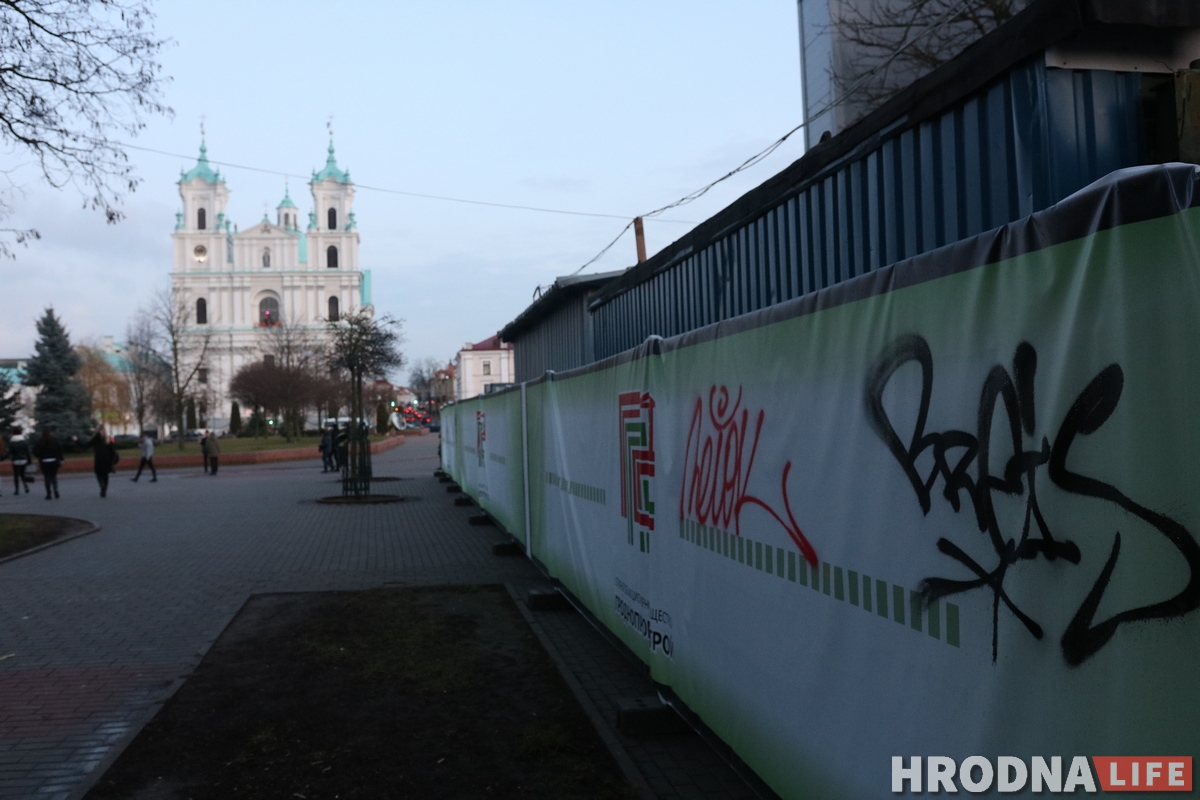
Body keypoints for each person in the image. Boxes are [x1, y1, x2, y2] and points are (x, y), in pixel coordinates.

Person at [86, 424, 118, 498]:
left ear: (97, 430)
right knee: (105, 475)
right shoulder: (108, 438)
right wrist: (113, 460)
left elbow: (86, 445)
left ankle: (102, 485)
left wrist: (76, 440)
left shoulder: (95, 438)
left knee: (98, 473)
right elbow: (113, 449)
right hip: (107, 459)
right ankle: (104, 489)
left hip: (99, 459)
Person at [33, 427, 63, 500]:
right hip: (54, 461)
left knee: (47, 477)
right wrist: (61, 459)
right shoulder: (54, 441)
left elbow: (35, 452)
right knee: (54, 476)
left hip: (44, 461)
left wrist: (41, 456)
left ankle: (48, 493)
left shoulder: (39, 442)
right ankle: (55, 490)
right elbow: (59, 451)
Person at [7, 426, 33, 494]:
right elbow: (27, 452)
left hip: (15, 460)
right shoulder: (24, 442)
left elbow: (10, 453)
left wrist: (2, 458)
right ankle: (25, 486)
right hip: (23, 459)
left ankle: (17, 490)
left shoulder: (12, 442)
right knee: (22, 474)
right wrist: (29, 460)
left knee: (16, 475)